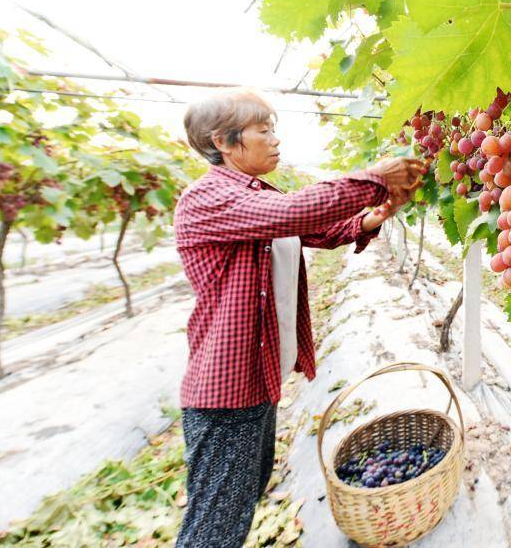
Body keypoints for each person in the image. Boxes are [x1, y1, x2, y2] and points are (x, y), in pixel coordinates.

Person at [172, 89, 425, 547]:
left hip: (254, 384)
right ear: (224, 142)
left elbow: (317, 230)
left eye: (274, 129)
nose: (275, 139)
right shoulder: (207, 198)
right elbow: (298, 210)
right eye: (263, 130)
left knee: (240, 503)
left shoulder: (252, 194)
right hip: (225, 396)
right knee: (215, 529)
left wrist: (373, 217)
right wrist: (375, 179)